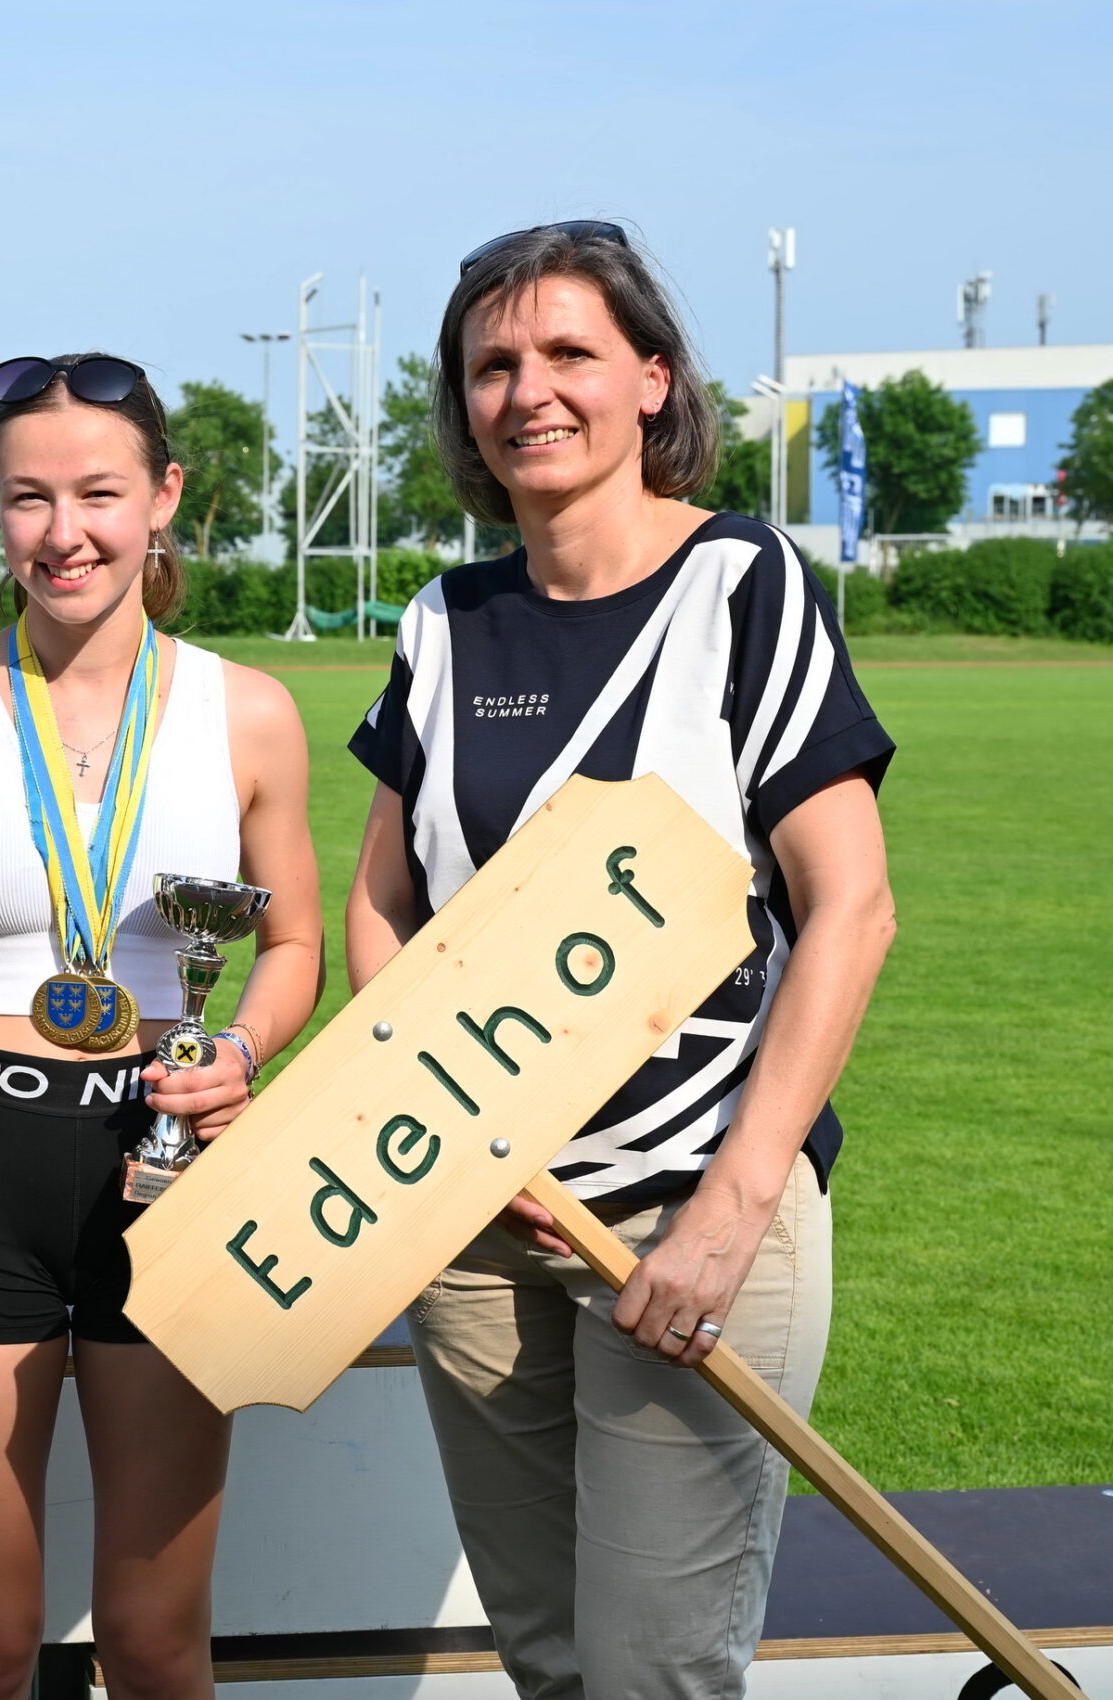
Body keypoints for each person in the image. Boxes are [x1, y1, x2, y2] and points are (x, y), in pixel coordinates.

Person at [346, 223, 899, 1700]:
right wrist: (441, 1137)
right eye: (491, 364)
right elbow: (382, 905)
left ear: (652, 378)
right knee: (550, 1662)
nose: (529, 389)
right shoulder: (443, 619)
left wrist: (730, 1210)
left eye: (570, 353)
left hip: (687, 1215)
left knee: (656, 1671)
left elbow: (851, 907)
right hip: (477, 1227)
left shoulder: (743, 586)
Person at [0, 354, 323, 1700]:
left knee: (158, 1642)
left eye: (99, 493)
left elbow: (291, 944)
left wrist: (241, 1050)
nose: (65, 533)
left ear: (163, 497)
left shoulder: (250, 713)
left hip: (173, 1163)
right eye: (27, 498)